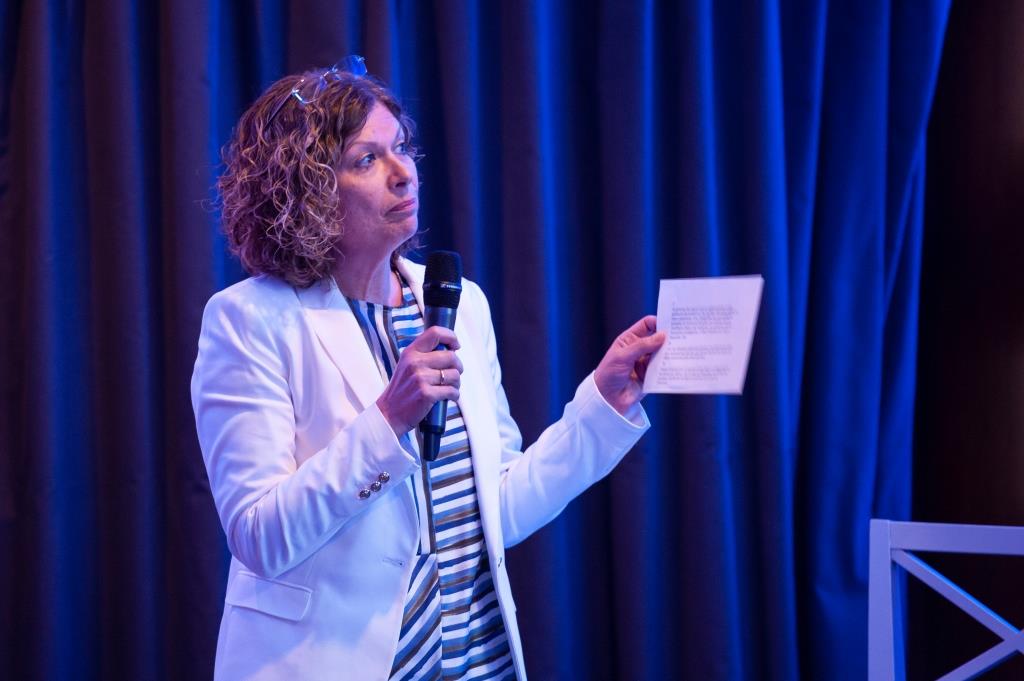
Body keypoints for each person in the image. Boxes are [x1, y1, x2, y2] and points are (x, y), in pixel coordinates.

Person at [191, 56, 665, 681]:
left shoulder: (460, 304)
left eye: (401, 148)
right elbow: (260, 538)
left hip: (476, 663)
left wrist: (601, 405)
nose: (403, 174)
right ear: (307, 190)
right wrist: (389, 419)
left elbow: (498, 508)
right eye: (367, 160)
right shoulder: (249, 320)